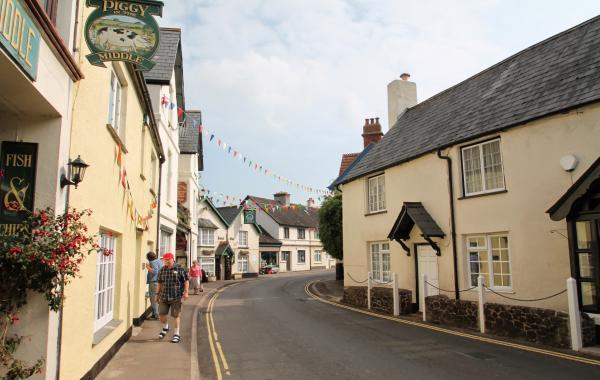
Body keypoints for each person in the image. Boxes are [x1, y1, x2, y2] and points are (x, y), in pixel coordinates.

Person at [156, 252, 189, 343]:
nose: (166, 261)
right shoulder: (162, 270)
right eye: (164, 260)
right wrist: (157, 295)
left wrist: (186, 292)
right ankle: (166, 327)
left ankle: (176, 334)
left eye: (168, 260)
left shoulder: (180, 268)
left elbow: (186, 281)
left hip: (176, 296)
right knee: (161, 314)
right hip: (163, 296)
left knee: (176, 315)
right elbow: (159, 282)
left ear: (172, 259)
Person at [145, 251, 163, 320]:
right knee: (157, 299)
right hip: (159, 282)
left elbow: (155, 271)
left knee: (153, 299)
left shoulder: (153, 262)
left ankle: (156, 315)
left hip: (154, 282)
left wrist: (148, 267)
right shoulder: (159, 261)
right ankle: (155, 314)